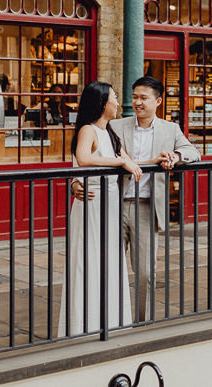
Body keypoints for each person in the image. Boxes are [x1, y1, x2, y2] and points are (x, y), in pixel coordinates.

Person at [111, 75, 199, 321]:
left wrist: (176, 155)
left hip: (146, 208)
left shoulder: (170, 129)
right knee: (109, 268)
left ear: (158, 101)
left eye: (144, 98)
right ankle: (112, 320)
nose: (137, 102)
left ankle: (143, 322)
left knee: (145, 273)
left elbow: (193, 151)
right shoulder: (116, 127)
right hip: (114, 205)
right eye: (134, 97)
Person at [58, 81, 142, 336]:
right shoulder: (88, 129)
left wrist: (158, 159)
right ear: (103, 103)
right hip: (92, 204)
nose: (118, 102)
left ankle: (110, 321)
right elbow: (83, 159)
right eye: (115, 98)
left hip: (110, 204)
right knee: (89, 259)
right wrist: (119, 162)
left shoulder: (111, 132)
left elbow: (130, 161)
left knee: (109, 260)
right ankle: (85, 324)